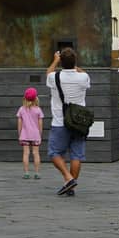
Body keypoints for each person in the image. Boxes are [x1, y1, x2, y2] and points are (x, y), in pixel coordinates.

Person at [46, 47, 91, 197]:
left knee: (54, 152)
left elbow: (48, 73)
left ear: (61, 63)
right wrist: (74, 65)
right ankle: (70, 186)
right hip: (79, 122)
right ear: (75, 62)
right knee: (76, 155)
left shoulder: (55, 77)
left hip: (60, 121)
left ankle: (68, 178)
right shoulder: (83, 77)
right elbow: (83, 74)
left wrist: (55, 60)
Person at [17, 87, 43, 180]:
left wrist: (20, 134)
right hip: (35, 135)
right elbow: (40, 124)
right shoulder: (38, 110)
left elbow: (19, 124)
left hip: (24, 135)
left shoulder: (21, 109)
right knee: (36, 153)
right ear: (36, 98)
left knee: (26, 154)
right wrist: (40, 134)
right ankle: (37, 173)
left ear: (25, 98)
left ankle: (26, 173)